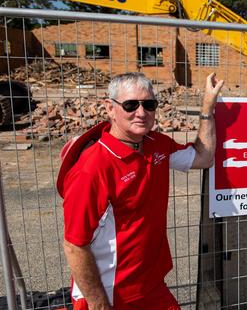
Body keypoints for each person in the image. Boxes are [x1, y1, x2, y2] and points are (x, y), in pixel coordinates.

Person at [57, 72, 224, 310]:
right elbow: (74, 245)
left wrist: (208, 106)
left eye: (149, 104)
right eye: (130, 104)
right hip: (110, 293)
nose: (141, 112)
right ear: (110, 108)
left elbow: (203, 157)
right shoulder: (92, 168)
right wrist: (98, 304)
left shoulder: (157, 145)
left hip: (151, 285)